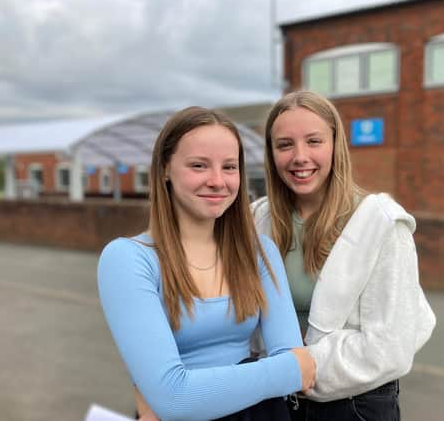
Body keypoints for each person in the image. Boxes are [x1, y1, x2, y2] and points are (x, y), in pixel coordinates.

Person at [97, 106, 315, 421]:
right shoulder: (128, 259)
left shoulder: (259, 252)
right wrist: (282, 373)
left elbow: (296, 364)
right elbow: (174, 400)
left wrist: (183, 391)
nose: (217, 181)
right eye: (199, 165)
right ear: (164, 170)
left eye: (229, 167)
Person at [251, 90, 436, 420]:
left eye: (314, 141)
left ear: (336, 146)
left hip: (354, 406)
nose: (299, 156)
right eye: (285, 145)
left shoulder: (381, 223)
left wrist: (297, 370)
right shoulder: (257, 219)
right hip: (275, 401)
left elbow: (388, 347)